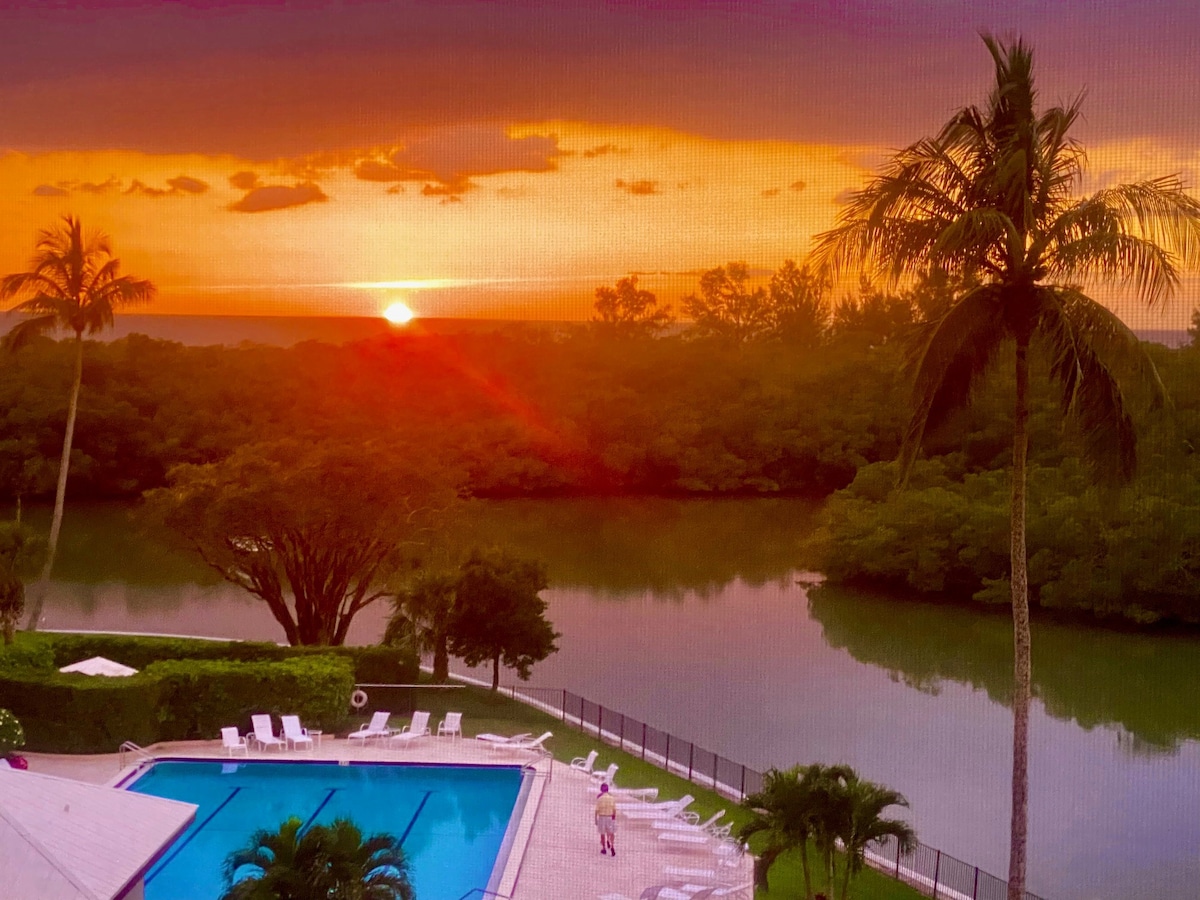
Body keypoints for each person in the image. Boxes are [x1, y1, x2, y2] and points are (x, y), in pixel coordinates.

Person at [595, 782, 616, 856]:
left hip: (602, 817)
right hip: (610, 816)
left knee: (602, 833)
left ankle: (604, 848)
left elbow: (597, 810)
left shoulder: (600, 799)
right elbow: (614, 809)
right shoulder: (612, 798)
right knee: (611, 832)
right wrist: (614, 817)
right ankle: (612, 845)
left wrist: (595, 820)